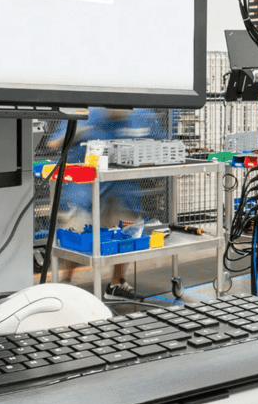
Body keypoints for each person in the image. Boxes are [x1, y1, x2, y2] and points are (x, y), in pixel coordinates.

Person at [46, 107, 167, 301]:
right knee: (75, 239)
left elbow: (162, 145)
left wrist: (147, 157)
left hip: (124, 192)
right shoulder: (86, 113)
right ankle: (65, 284)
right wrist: (74, 135)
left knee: (126, 235)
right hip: (86, 192)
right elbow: (53, 144)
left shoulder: (143, 116)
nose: (119, 109)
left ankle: (116, 284)